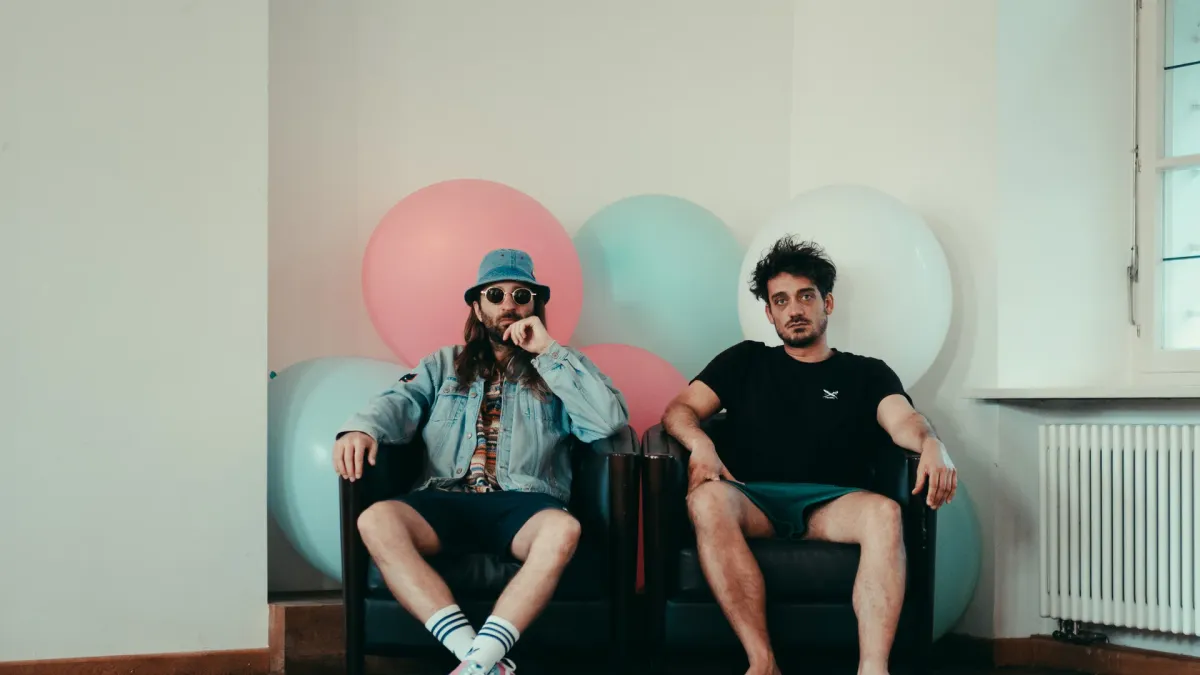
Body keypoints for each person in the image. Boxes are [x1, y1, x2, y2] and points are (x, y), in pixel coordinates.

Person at [661, 236, 958, 675]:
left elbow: (905, 422)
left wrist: (933, 443)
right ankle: (763, 662)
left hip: (833, 503)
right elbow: (679, 410)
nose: (794, 309)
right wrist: (701, 443)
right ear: (770, 313)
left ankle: (873, 668)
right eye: (780, 300)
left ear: (827, 303)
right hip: (753, 498)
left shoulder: (866, 372)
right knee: (705, 501)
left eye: (805, 296)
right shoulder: (744, 361)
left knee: (885, 513)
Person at [333, 248, 630, 675]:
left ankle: (478, 663)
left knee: (563, 529)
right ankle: (479, 661)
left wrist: (548, 351)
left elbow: (607, 421)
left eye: (521, 295)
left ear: (534, 306)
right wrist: (362, 429)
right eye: (495, 294)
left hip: (524, 501)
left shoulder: (560, 366)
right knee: (375, 520)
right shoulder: (443, 364)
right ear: (477, 306)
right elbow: (398, 401)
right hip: (446, 496)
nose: (509, 304)